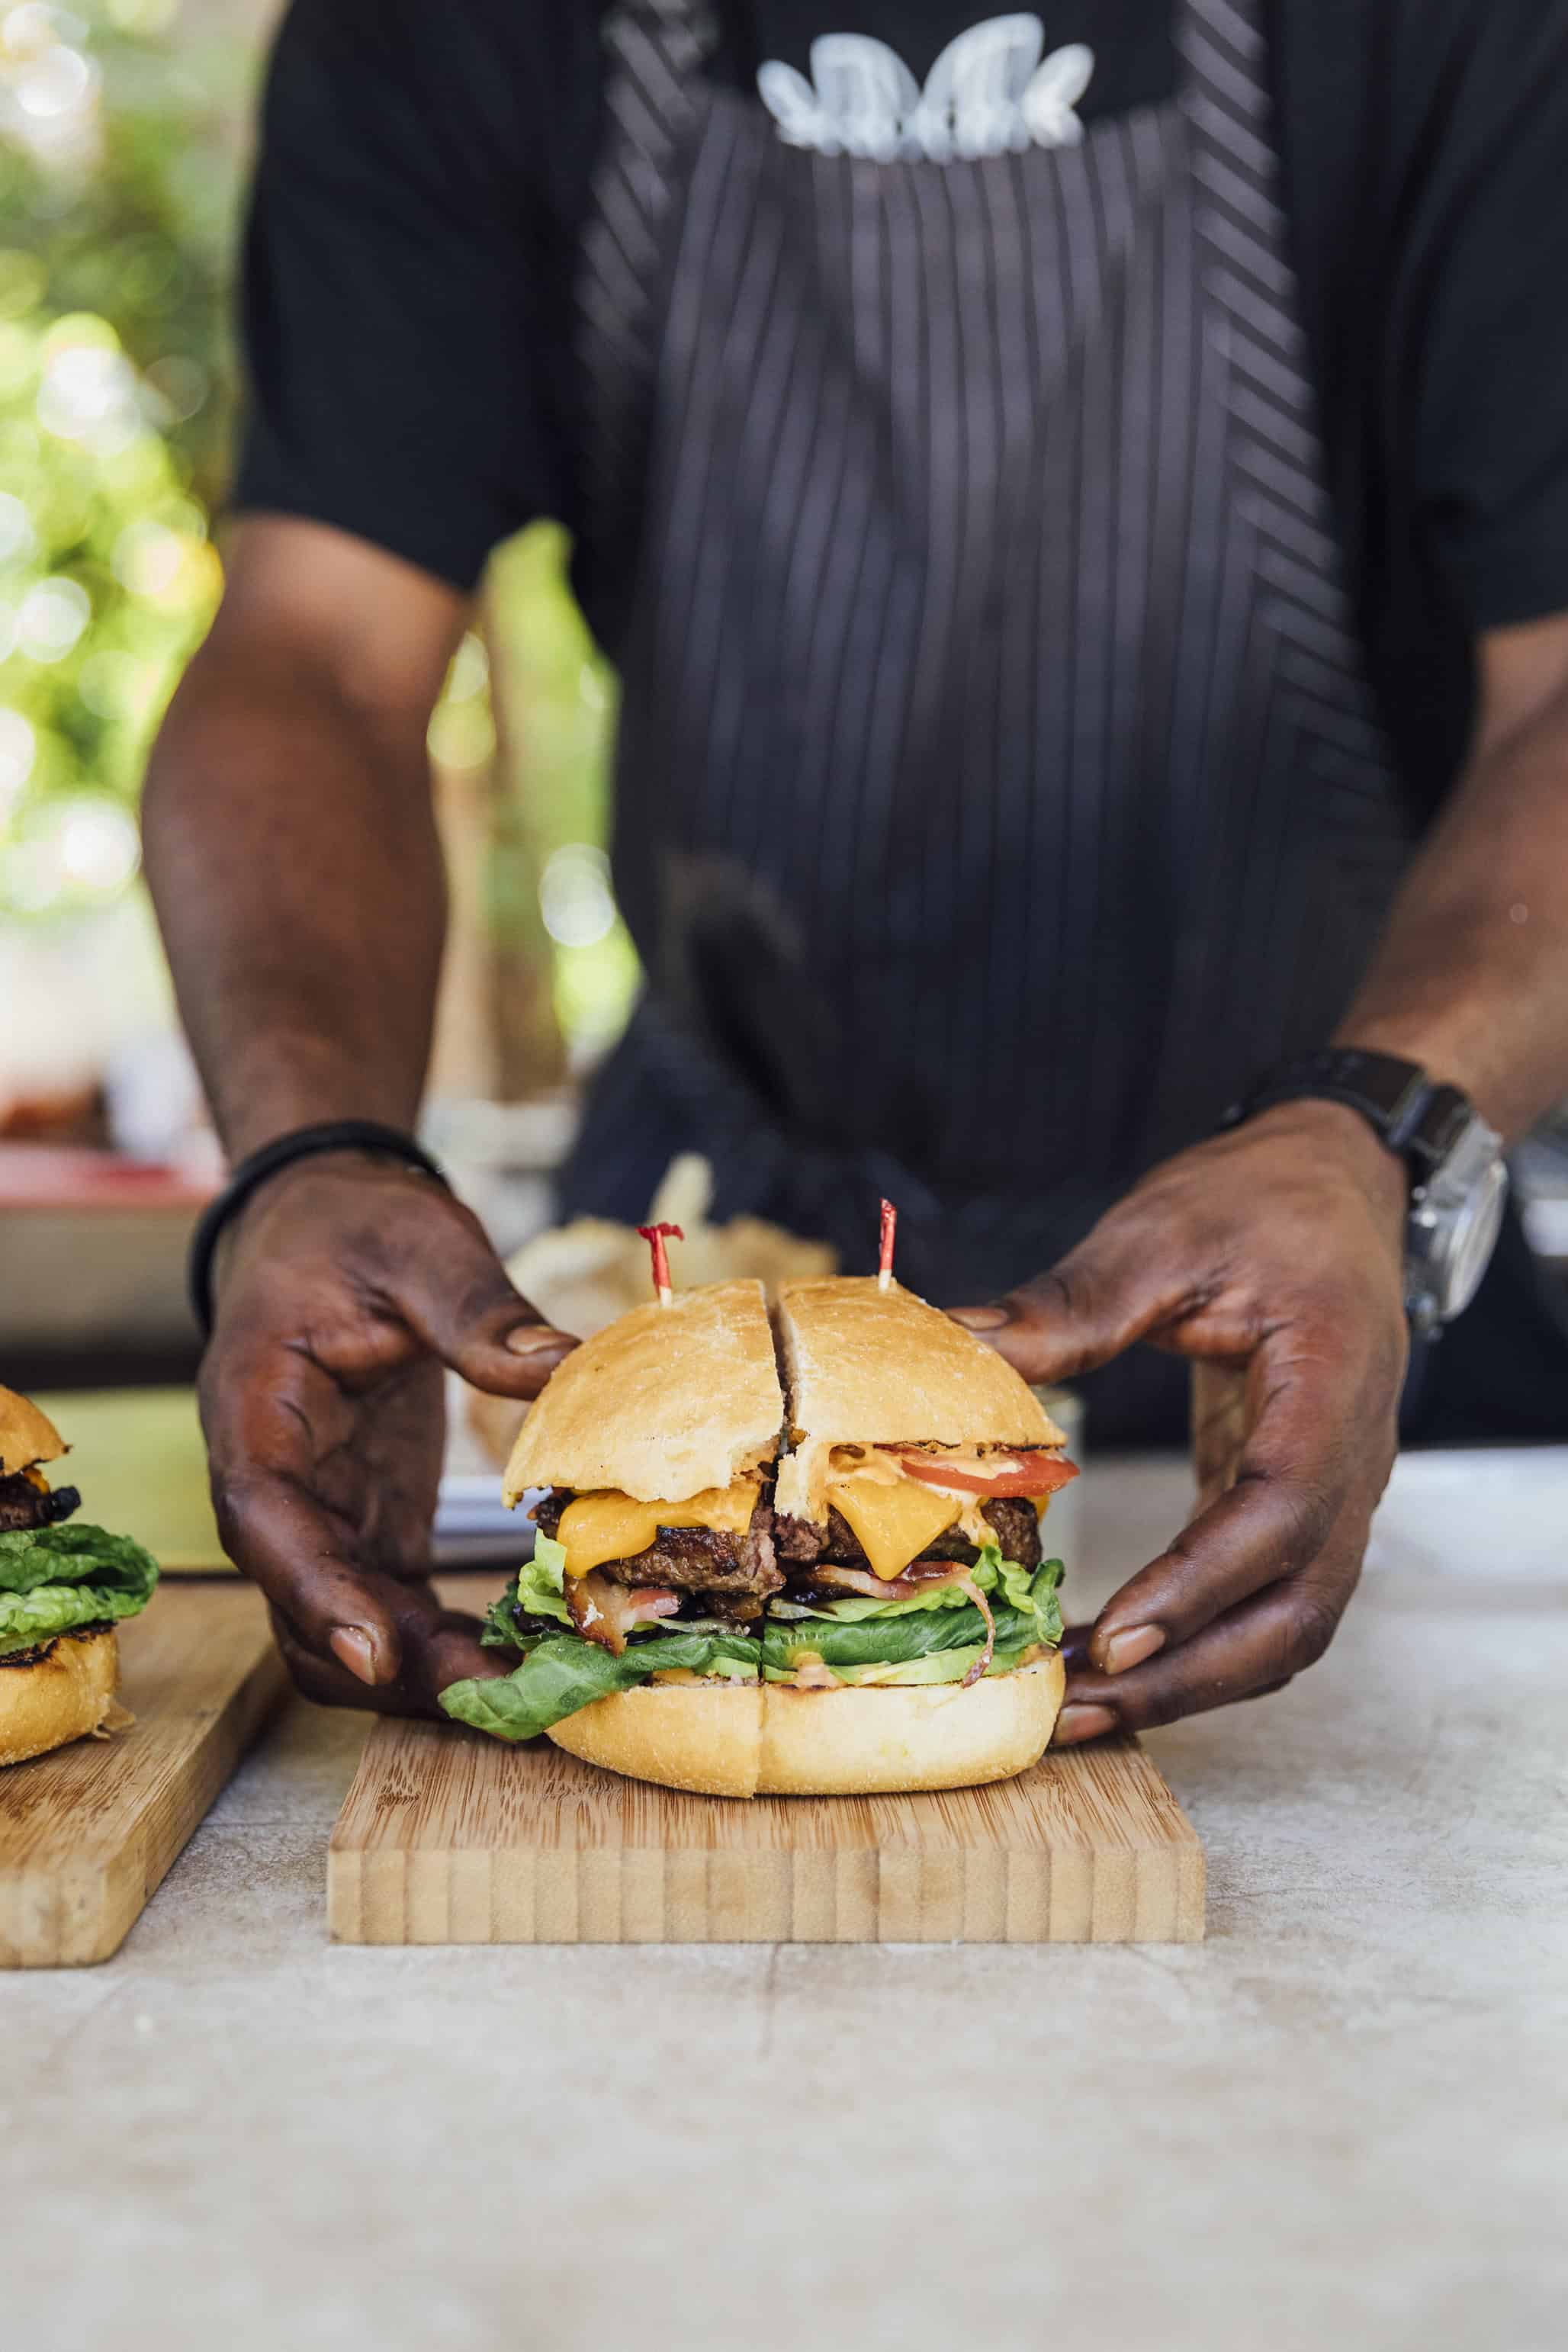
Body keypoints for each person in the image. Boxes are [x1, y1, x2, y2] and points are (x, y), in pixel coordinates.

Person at [141, 0, 1568, 1743]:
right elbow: (315, 656)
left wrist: (1379, 1129)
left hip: (1353, 1270)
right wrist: (306, 1153)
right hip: (719, 1245)